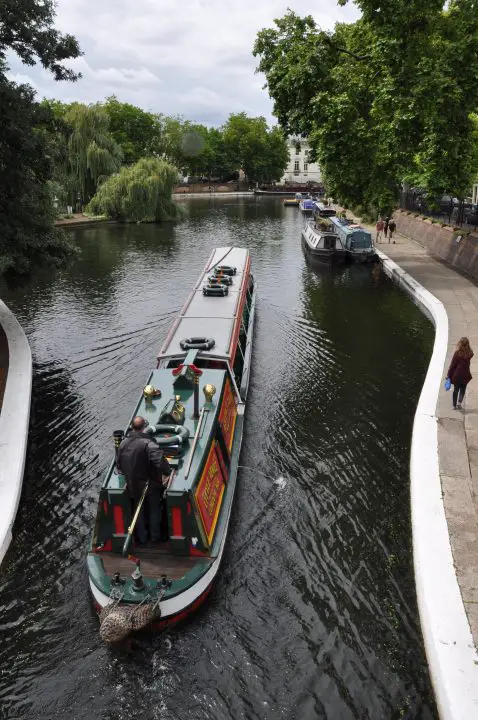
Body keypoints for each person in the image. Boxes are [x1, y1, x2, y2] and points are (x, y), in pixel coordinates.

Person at [116, 416, 172, 544]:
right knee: (154, 511)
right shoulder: (148, 444)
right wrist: (168, 472)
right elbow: (159, 460)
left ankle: (142, 538)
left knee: (138, 511)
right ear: (143, 428)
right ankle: (155, 537)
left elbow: (119, 466)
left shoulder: (123, 443)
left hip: (132, 485)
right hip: (150, 485)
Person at [446, 337, 474, 410]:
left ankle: (454, 406)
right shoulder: (470, 353)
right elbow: (471, 353)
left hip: (457, 375)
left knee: (456, 390)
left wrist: (448, 375)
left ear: (460, 344)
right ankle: (459, 403)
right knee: (463, 389)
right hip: (465, 375)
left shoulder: (457, 353)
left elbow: (452, 365)